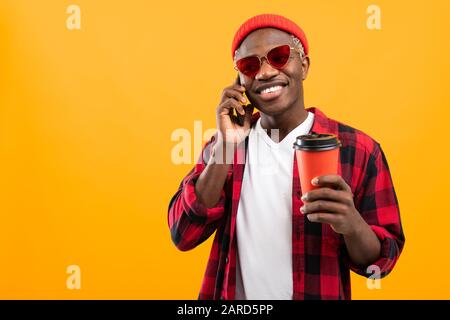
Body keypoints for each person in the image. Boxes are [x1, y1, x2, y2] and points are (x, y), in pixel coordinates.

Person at [168, 13, 404, 300]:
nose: (266, 73)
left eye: (279, 57)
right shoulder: (225, 149)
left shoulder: (359, 150)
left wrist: (351, 224)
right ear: (240, 79)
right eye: (250, 65)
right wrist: (226, 146)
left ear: (303, 64)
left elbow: (379, 263)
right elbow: (183, 234)